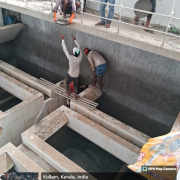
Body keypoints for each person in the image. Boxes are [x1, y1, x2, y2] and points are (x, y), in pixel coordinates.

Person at [60, 33, 82, 100]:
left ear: (73, 53)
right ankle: (75, 95)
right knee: (75, 85)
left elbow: (65, 49)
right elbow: (80, 48)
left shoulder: (70, 58)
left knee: (67, 82)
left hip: (70, 74)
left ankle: (66, 92)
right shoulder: (80, 57)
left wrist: (63, 39)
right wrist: (75, 39)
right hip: (76, 75)